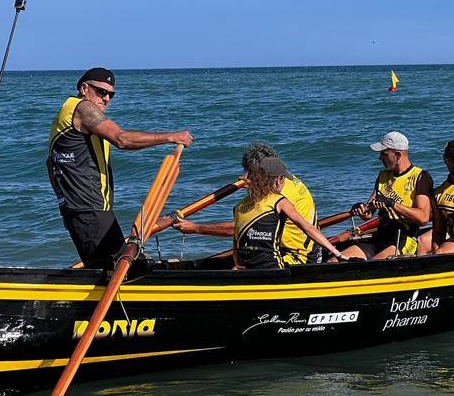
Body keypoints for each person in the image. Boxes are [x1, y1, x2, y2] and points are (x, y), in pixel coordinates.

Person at [47, 67, 193, 268]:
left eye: (111, 95)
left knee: (127, 264)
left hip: (85, 210)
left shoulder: (66, 113)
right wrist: (171, 137)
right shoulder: (83, 108)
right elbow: (122, 139)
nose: (106, 99)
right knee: (117, 270)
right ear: (84, 88)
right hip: (90, 209)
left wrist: (65, 207)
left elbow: (51, 164)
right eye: (101, 92)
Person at [172, 143, 323, 265]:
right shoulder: (284, 178)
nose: (246, 176)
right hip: (314, 251)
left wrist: (196, 228)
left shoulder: (276, 195)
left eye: (249, 172)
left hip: (297, 258)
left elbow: (241, 228)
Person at [229, 155, 344, 269]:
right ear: (278, 180)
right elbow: (307, 228)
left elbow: (236, 246)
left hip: (245, 266)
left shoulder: (239, 206)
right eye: (283, 178)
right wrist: (337, 253)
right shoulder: (280, 202)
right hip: (272, 268)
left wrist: (238, 267)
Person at [338, 131, 434, 260]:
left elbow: (423, 218)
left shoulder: (421, 177)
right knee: (335, 260)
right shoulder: (383, 176)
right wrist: (360, 208)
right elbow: (368, 214)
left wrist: (393, 204)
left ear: (397, 155)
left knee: (373, 266)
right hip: (380, 237)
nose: (380, 158)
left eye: (384, 154)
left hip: (404, 239)